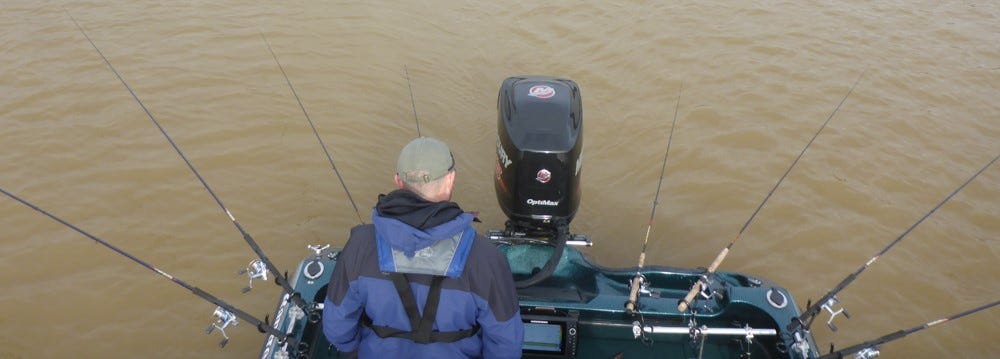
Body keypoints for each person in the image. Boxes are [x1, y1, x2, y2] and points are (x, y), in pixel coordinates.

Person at [322, 137, 524, 358]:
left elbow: (337, 328)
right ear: (450, 180)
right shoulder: (486, 258)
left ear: (398, 182)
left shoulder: (359, 246)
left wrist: (353, 350)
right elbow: (507, 345)